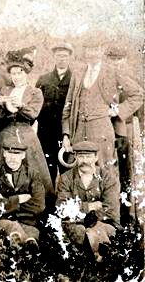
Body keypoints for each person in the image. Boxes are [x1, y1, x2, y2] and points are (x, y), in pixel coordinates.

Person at [62, 40, 143, 174]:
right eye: (88, 49)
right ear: (84, 51)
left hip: (102, 130)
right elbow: (68, 105)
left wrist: (117, 110)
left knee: (105, 170)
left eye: (95, 49)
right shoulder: (78, 72)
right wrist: (66, 134)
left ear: (101, 50)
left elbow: (138, 94)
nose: (91, 53)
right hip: (79, 131)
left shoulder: (111, 72)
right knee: (78, 170)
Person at [0, 54, 54, 207]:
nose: (17, 77)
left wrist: (20, 106)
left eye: (20, 73)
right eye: (13, 73)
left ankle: (36, 206)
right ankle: (5, 204)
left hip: (26, 135)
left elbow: (33, 113)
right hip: (6, 134)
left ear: (26, 74)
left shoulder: (35, 92)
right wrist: (5, 106)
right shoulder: (5, 90)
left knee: (31, 170)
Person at [55, 141, 120, 262]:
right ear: (75, 157)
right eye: (81, 156)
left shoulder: (107, 178)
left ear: (96, 157)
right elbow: (62, 208)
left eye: (88, 156)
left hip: (103, 223)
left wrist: (79, 210)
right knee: (78, 232)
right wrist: (90, 207)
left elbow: (111, 210)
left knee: (102, 231)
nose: (84, 161)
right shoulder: (66, 178)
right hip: (74, 226)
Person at [104, 45, 144, 225]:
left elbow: (138, 97)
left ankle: (126, 214)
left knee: (124, 172)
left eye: (118, 59)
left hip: (121, 130)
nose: (115, 63)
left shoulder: (128, 78)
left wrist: (118, 111)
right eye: (111, 59)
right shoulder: (102, 76)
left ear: (124, 60)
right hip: (102, 130)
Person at [0, 138, 45, 248]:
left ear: (23, 155)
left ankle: (27, 244)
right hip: (4, 222)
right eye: (9, 153)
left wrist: (5, 201)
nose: (13, 158)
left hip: (29, 222)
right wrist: (19, 199)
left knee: (32, 240)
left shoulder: (33, 175)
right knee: (13, 231)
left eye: (17, 154)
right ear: (4, 154)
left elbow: (39, 206)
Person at [36, 42, 74, 183]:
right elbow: (36, 104)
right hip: (46, 133)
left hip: (66, 132)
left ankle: (66, 202)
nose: (61, 59)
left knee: (67, 169)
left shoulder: (75, 79)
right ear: (54, 57)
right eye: (59, 56)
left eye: (65, 56)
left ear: (69, 58)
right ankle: (49, 203)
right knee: (47, 170)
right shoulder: (44, 79)